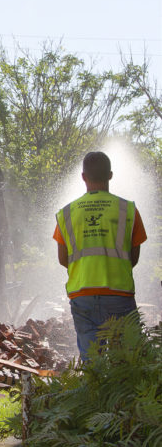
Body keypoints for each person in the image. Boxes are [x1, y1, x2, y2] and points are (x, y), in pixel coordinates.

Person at [53, 151, 147, 360]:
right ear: (110, 175)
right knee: (125, 363)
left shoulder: (66, 213)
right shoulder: (128, 210)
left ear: (83, 177)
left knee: (92, 364)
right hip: (119, 295)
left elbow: (62, 259)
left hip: (82, 296)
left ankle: (94, 393)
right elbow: (134, 257)